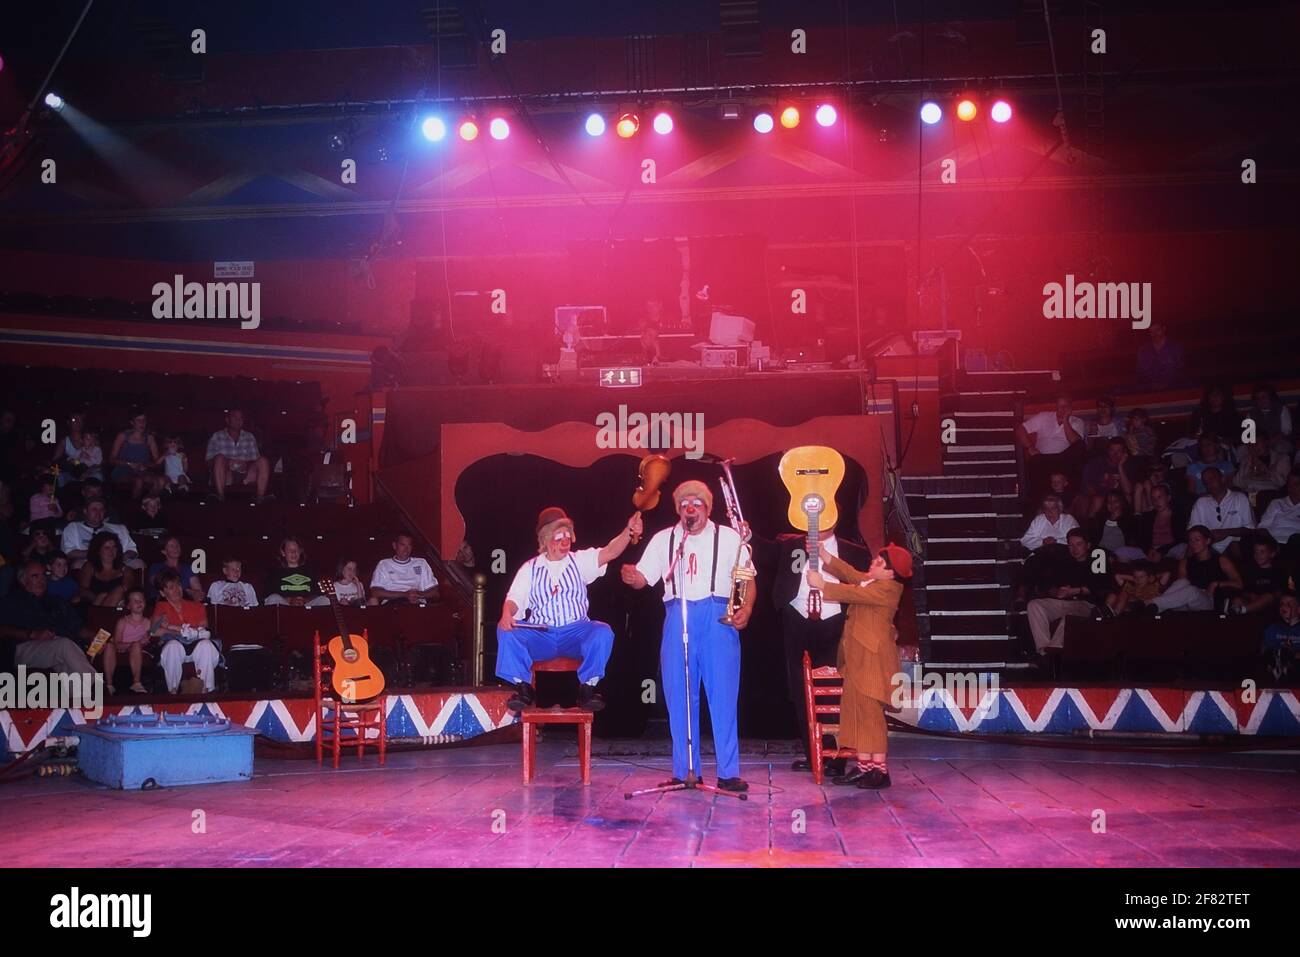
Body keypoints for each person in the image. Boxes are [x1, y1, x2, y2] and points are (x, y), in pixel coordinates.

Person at [622, 481, 754, 792]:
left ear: (708, 508)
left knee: (722, 696)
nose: (690, 508)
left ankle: (728, 772)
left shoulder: (729, 537)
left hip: (717, 617)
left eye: (696, 503)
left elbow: (746, 578)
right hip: (677, 616)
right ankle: (685, 770)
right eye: (684, 504)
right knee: (679, 696)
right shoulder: (663, 540)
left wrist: (745, 608)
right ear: (678, 509)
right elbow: (645, 578)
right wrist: (633, 577)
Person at [757, 520, 873, 776]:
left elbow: (872, 590)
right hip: (797, 619)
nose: (818, 522)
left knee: (834, 690)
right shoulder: (790, 545)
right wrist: (745, 534)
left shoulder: (854, 552)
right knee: (801, 689)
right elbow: (763, 551)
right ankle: (814, 755)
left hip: (836, 623)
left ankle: (837, 757)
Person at [498, 507, 640, 714]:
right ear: (545, 539)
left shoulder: (579, 560)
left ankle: (587, 689)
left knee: (602, 631)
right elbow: (514, 599)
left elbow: (611, 551)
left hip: (576, 632)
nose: (565, 542)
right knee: (506, 631)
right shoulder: (529, 568)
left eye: (567, 536)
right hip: (542, 634)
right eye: (558, 537)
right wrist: (507, 614)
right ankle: (523, 688)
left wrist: (628, 531)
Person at [805, 543, 910, 790]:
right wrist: (825, 555)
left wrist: (823, 585)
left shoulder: (888, 589)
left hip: (873, 662)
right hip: (857, 660)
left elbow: (853, 593)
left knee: (871, 717)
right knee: (857, 714)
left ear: (890, 573)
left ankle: (880, 772)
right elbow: (850, 573)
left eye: (880, 563)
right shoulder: (871, 581)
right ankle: (864, 768)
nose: (873, 563)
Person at [0, 560, 95, 675]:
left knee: (66, 659)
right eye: (35, 576)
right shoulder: (12, 601)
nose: (42, 579)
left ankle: (85, 691)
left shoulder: (56, 601)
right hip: (24, 647)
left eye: (44, 575)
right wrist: (32, 634)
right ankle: (99, 687)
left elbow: (78, 628)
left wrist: (96, 637)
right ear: (23, 581)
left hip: (56, 645)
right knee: (63, 645)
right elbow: (3, 629)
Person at [1025, 529, 1112, 656]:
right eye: (1070, 545)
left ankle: (1053, 652)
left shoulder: (1098, 557)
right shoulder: (1064, 559)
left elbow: (1099, 587)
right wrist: (1057, 592)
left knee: (1069, 618)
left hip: (1087, 605)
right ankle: (1043, 651)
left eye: (1079, 544)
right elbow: (1049, 584)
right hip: (1065, 602)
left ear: (1088, 545)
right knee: (1034, 605)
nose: (1074, 549)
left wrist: (1074, 591)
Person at [1141, 526, 1241, 615]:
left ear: (1207, 541)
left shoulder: (1221, 560)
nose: (1193, 544)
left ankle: (1147, 604)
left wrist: (1216, 584)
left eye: (1197, 540)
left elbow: (1239, 583)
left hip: (1209, 602)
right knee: (1183, 582)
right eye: (1190, 540)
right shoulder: (1185, 562)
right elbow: (1180, 588)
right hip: (1185, 602)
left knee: (1191, 591)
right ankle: (1154, 606)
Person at [151, 569, 218, 694]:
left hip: (196, 646)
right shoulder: (161, 607)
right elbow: (154, 631)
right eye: (171, 587)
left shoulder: (197, 606)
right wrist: (179, 632)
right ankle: (173, 691)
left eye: (178, 585)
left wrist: (170, 627)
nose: (177, 589)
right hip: (175, 647)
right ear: (162, 592)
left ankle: (206, 690)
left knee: (206, 645)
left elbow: (204, 630)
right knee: (172, 646)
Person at [1016, 395, 1087, 503]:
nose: (1061, 409)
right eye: (1059, 406)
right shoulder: (1044, 417)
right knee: (1034, 462)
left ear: (1070, 407)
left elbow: (1076, 443)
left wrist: (1066, 421)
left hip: (1063, 460)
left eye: (1065, 406)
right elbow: (1020, 429)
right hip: (1042, 459)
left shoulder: (1077, 422)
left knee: (1080, 446)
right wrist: (1029, 446)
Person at [205, 409, 272, 502]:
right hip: (225, 474)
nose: (238, 420)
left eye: (241, 418)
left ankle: (260, 497)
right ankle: (220, 497)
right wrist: (227, 462)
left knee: (263, 461)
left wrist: (246, 464)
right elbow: (208, 462)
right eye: (235, 417)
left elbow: (256, 459)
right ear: (227, 420)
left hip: (246, 475)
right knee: (219, 458)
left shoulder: (250, 437)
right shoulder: (217, 436)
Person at [1186, 468, 1255, 555]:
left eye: (1212, 479)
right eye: (1205, 482)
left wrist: (1226, 532)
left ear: (1222, 479)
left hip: (1235, 546)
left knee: (1235, 545)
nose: (1209, 484)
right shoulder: (1201, 502)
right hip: (1209, 546)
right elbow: (1192, 530)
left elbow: (1250, 529)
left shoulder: (1239, 498)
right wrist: (1209, 537)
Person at [60, 499, 140, 568]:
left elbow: (132, 550)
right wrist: (98, 554)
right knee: (78, 565)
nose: (98, 513)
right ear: (85, 511)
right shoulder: (73, 527)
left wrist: (122, 556)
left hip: (117, 561)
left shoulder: (119, 528)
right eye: (94, 509)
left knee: (138, 564)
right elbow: (68, 552)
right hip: (88, 561)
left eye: (101, 510)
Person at [367, 533, 439, 605]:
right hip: (393, 604)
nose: (406, 549)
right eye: (402, 545)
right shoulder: (384, 564)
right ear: (394, 546)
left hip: (417, 603)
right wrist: (405, 594)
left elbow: (435, 592)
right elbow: (375, 592)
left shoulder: (421, 563)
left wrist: (418, 595)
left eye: (409, 545)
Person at [108, 410, 164, 500]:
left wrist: (144, 465)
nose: (142, 423)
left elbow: (156, 462)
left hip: (142, 471)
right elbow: (111, 459)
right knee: (139, 481)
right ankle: (134, 507)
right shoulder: (122, 436)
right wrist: (130, 464)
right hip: (123, 470)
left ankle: (148, 505)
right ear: (132, 423)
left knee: (160, 481)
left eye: (144, 420)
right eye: (139, 420)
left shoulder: (149, 438)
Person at [103, 590, 150, 695]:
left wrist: (146, 639)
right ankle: (109, 684)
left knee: (137, 645)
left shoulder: (147, 622)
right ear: (128, 606)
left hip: (137, 650)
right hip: (122, 647)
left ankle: (136, 683)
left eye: (141, 600)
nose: (139, 603)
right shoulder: (123, 621)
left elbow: (149, 639)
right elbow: (116, 642)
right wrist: (129, 646)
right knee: (109, 646)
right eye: (135, 601)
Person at [1227, 536, 1286, 616]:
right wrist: (1251, 595)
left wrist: (1263, 597)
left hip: (1269, 603)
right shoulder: (1250, 570)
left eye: (1262, 552)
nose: (1258, 555)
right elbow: (1245, 589)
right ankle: (1238, 610)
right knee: (1237, 600)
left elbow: (1278, 592)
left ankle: (1242, 610)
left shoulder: (1277, 572)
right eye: (1256, 552)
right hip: (1252, 601)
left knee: (1267, 597)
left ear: (1272, 554)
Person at [262, 536, 329, 607]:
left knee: (325, 600)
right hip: (285, 607)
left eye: (296, 550)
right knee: (273, 598)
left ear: (300, 551)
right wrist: (291, 600)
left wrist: (304, 600)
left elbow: (317, 594)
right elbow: (267, 595)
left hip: (306, 606)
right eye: (290, 550)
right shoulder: (274, 573)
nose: (293, 553)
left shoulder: (311, 571)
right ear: (283, 553)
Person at [1078, 438, 1134, 518]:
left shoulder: (1127, 465)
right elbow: (1086, 486)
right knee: (1098, 500)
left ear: (1124, 452)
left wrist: (1120, 467)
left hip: (1118, 499)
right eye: (1112, 450)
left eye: (1119, 451)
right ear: (1108, 451)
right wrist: (1103, 498)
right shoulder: (1095, 463)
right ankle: (1088, 525)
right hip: (1098, 497)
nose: (1115, 454)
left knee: (1127, 499)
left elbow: (1128, 491)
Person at [77, 531, 134, 608]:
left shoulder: (126, 570)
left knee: (119, 590)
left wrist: (107, 598)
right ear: (98, 550)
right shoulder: (89, 566)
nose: (111, 551)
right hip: (92, 604)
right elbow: (83, 589)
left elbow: (127, 589)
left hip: (117, 606)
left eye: (114, 547)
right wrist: (98, 598)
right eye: (107, 547)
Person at [1085, 491, 1146, 563]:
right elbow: (1093, 538)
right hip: (1099, 552)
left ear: (1121, 502)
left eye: (1115, 501)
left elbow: (1133, 542)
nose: (1112, 504)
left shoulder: (1128, 520)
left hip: (1116, 555)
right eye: (1109, 502)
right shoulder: (1101, 519)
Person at [145, 535, 204, 602]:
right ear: (164, 551)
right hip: (163, 602)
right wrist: (189, 591)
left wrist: (197, 594)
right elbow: (162, 586)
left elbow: (197, 590)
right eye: (172, 546)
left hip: (185, 603)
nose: (176, 548)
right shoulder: (156, 568)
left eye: (177, 545)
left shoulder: (187, 568)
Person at [1259, 471, 1300, 566]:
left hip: (1295, 544)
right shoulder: (1277, 503)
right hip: (1273, 543)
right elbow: (1262, 527)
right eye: (1289, 483)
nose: (1291, 487)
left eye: (1296, 484)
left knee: (1295, 540)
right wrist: (1272, 543)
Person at [1262, 593, 1300, 684]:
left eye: (1289, 604)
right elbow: (1265, 654)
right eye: (1282, 604)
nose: (1284, 607)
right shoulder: (1272, 629)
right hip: (1275, 675)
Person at [1135, 322, 1183, 390]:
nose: (1154, 334)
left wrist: (1167, 384)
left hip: (1173, 390)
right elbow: (1140, 373)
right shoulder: (1143, 350)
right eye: (1151, 331)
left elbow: (1180, 370)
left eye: (1157, 330)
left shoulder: (1175, 347)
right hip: (1149, 391)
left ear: (1164, 328)